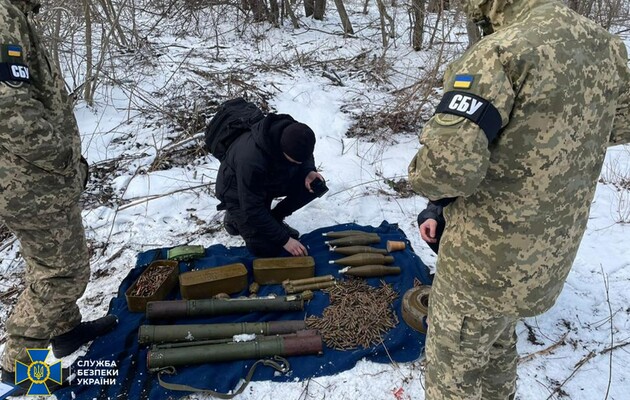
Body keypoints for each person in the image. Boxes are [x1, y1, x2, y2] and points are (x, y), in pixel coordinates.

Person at [407, 0, 630, 398]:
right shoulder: (607, 47)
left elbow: (449, 167)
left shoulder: (502, 50)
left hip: (482, 264)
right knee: (495, 345)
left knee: (453, 373)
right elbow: (618, 126)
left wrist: (422, 176)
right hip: (547, 256)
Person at [0, 0, 118, 393]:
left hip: (37, 180)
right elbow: (10, 108)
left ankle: (65, 329)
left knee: (54, 259)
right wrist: (64, 157)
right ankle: (19, 362)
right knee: (63, 274)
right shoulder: (2, 15)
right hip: (32, 182)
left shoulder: (16, 14)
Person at [215, 112, 325, 257]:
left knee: (316, 185)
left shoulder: (296, 133)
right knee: (266, 249)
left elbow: (306, 157)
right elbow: (252, 207)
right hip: (238, 195)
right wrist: (285, 240)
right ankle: (233, 219)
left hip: (268, 178)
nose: (298, 164)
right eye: (294, 161)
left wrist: (308, 171)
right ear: (282, 149)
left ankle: (275, 218)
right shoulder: (251, 160)